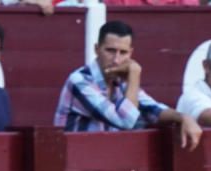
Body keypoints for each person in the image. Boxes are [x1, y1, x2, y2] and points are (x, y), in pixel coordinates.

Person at [54, 20, 202, 151]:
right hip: (73, 161)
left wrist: (184, 117)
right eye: (110, 51)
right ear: (96, 49)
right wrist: (134, 75)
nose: (116, 60)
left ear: (130, 53)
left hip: (101, 160)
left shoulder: (122, 81)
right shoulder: (80, 81)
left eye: (123, 52)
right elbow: (126, 121)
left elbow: (153, 110)